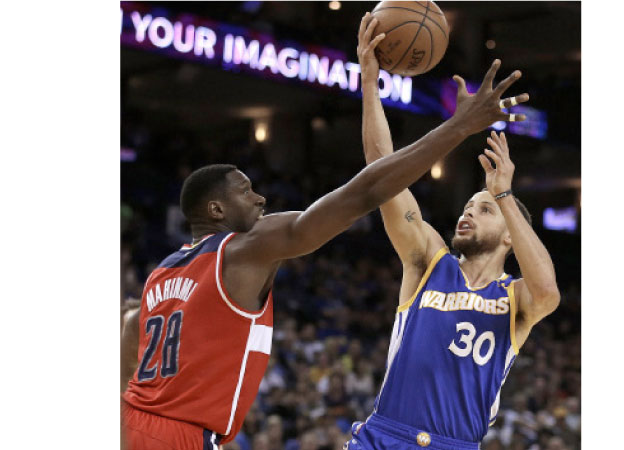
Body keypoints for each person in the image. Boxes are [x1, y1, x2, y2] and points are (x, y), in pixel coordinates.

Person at [121, 13, 530, 450]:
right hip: (182, 433)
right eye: (247, 192)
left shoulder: (162, 273)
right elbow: (369, 187)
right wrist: (459, 126)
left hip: (129, 420)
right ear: (217, 209)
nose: (261, 200)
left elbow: (130, 328)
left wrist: (370, 85)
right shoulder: (248, 247)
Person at [346, 15, 560, 450]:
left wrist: (502, 195)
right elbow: (383, 175)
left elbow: (549, 292)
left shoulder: (515, 299)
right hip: (384, 436)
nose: (467, 213)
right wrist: (370, 84)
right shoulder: (428, 261)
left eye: (482, 210)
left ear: (508, 236)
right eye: (467, 206)